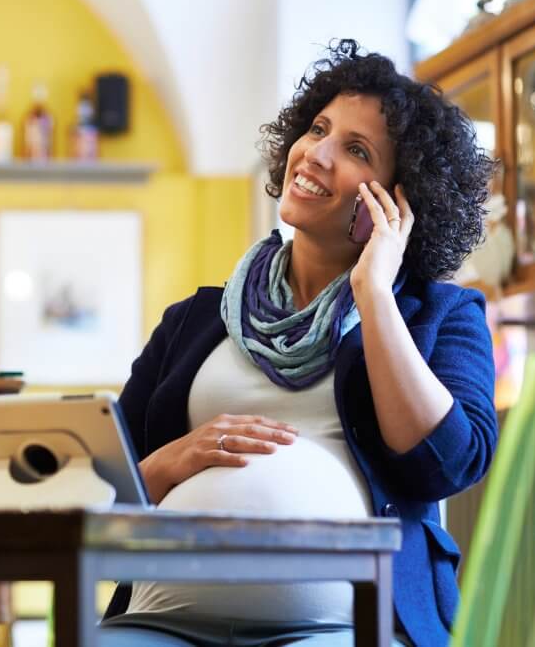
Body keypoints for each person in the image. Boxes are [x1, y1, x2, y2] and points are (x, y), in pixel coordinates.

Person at [99, 39, 499, 647]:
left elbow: (447, 463)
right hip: (161, 620)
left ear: (401, 200)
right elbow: (99, 489)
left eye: (357, 150)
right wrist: (166, 464)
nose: (316, 154)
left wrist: (374, 292)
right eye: (318, 129)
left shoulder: (441, 314)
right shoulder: (195, 318)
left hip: (342, 628)